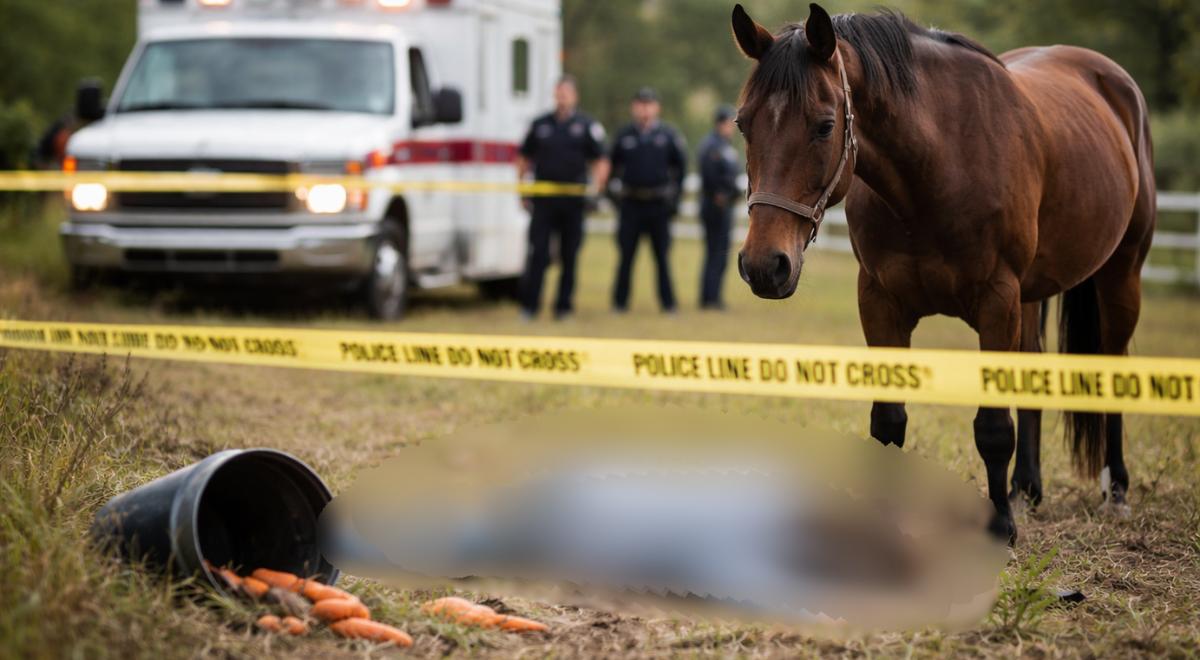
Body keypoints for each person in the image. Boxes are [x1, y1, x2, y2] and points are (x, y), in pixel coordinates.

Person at [516, 76, 609, 321]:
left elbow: (601, 160)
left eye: (567, 92)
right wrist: (522, 189)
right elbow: (524, 158)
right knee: (538, 254)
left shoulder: (587, 125)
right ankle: (530, 307)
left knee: (570, 255)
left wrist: (596, 191)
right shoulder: (540, 124)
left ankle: (563, 307)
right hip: (544, 200)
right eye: (559, 92)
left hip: (573, 202)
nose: (562, 97)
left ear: (575, 96)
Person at [608, 87, 687, 314]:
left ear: (657, 108)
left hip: (658, 206)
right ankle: (619, 304)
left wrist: (675, 200)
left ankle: (668, 304)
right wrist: (614, 199)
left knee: (662, 258)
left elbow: (680, 169)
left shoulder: (669, 135)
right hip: (630, 205)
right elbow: (610, 169)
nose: (644, 109)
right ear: (634, 107)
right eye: (640, 104)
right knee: (626, 257)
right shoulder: (624, 136)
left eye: (649, 104)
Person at [696, 104, 743, 310]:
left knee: (719, 253)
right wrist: (722, 194)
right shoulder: (712, 146)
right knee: (715, 252)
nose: (731, 127)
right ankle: (710, 298)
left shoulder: (726, 146)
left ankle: (712, 296)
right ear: (719, 123)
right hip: (716, 206)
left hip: (725, 206)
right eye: (728, 123)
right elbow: (710, 175)